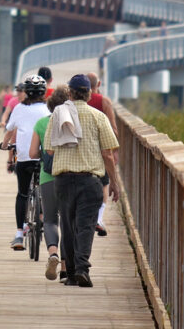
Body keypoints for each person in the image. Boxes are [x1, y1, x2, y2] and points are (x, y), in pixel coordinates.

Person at [45, 74, 120, 288]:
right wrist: (114, 181)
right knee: (85, 225)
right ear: (89, 93)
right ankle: (82, 269)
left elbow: (49, 149)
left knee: (68, 226)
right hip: (90, 180)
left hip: (63, 180)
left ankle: (70, 275)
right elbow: (107, 152)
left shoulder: (57, 115)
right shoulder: (98, 116)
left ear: (69, 93)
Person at [0, 75, 49, 250]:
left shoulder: (19, 108)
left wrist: (5, 146)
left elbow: (9, 130)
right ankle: (42, 216)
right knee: (44, 189)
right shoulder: (49, 109)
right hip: (43, 159)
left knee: (22, 194)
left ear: (26, 92)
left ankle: (19, 234)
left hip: (24, 159)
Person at [30, 85, 73, 281]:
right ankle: (65, 268)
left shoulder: (41, 123)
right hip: (70, 176)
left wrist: (43, 155)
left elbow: (32, 153)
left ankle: (53, 253)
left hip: (47, 177)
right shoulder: (74, 123)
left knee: (49, 219)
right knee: (67, 222)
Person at [85, 72, 117, 236]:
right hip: (100, 151)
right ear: (99, 84)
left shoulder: (77, 102)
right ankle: (98, 218)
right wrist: (114, 151)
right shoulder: (104, 101)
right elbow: (113, 129)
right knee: (104, 183)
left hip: (82, 151)